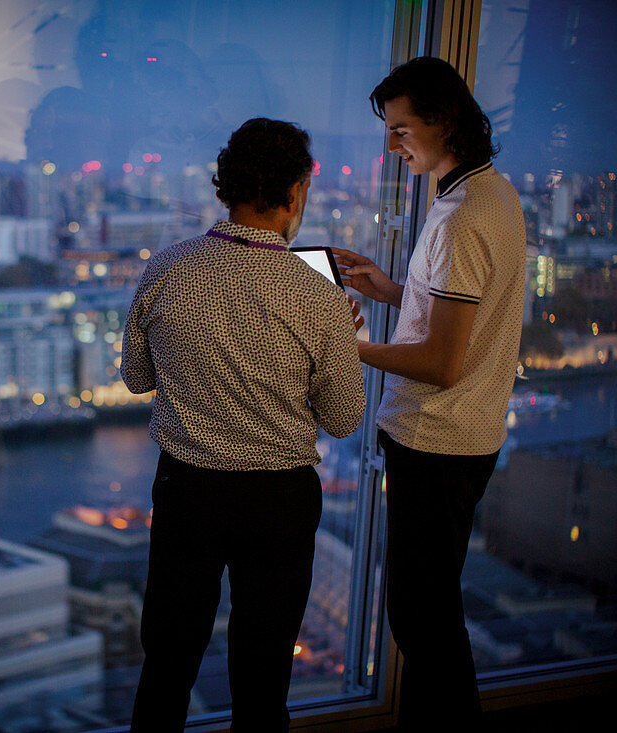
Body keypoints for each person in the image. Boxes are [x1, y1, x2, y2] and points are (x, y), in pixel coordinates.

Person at [121, 117, 366, 731]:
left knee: (169, 661)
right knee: (262, 678)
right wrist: (337, 343)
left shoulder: (167, 269)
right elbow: (342, 418)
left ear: (224, 189)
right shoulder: (318, 296)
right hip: (278, 501)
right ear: (296, 194)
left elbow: (137, 378)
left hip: (189, 490)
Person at [332, 57, 527, 728]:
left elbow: (443, 362)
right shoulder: (491, 195)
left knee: (423, 622)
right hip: (469, 433)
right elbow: (461, 321)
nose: (392, 146)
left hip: (434, 438)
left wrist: (344, 348)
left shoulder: (457, 219)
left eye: (401, 129)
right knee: (431, 614)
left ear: (443, 120)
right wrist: (392, 290)